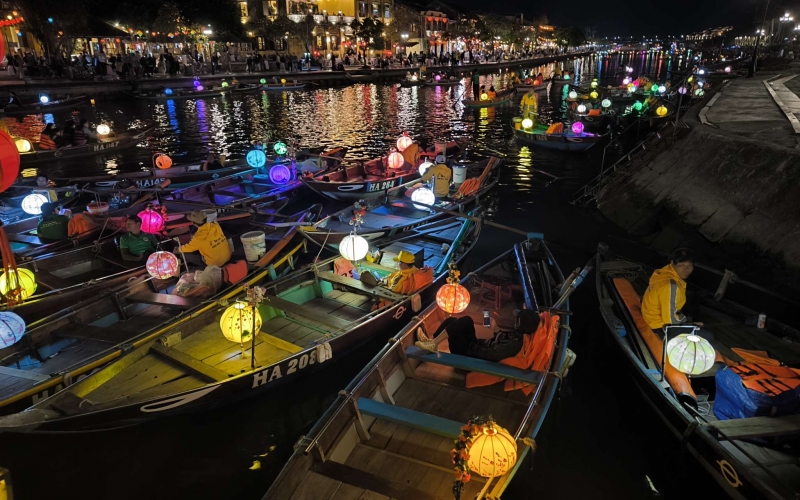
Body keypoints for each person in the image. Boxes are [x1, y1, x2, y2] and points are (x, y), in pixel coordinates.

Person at [442, 309, 540, 362]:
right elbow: (503, 339)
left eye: (517, 318)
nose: (514, 318)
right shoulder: (519, 335)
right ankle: (434, 339)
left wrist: (470, 344)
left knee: (458, 322)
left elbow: (489, 355)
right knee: (461, 321)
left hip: (468, 356)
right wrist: (496, 328)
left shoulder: (513, 345)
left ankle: (434, 342)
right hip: (475, 346)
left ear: (518, 323)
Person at [641, 248, 698, 338]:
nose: (686, 269)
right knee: (708, 336)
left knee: (691, 296)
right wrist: (689, 324)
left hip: (650, 317)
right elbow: (670, 320)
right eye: (681, 265)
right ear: (672, 263)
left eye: (690, 266)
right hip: (659, 326)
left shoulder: (664, 272)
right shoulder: (670, 285)